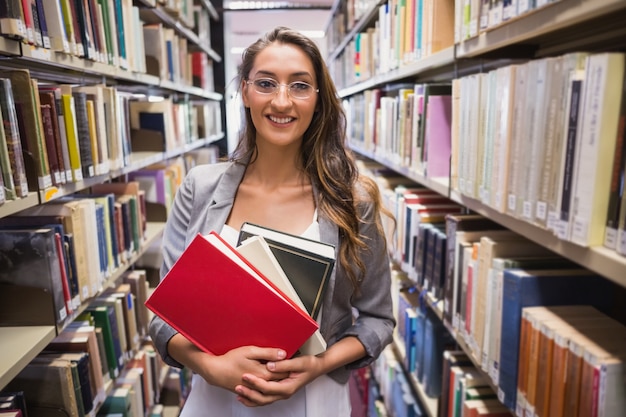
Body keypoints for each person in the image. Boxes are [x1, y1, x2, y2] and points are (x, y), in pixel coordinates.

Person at [149, 26, 395, 416]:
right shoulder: (199, 187)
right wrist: (209, 367)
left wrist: (318, 365)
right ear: (244, 91)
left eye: (299, 86)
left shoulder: (353, 200)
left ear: (318, 99)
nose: (282, 101)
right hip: (215, 402)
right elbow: (163, 318)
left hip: (313, 403)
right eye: (266, 83)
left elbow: (378, 320)